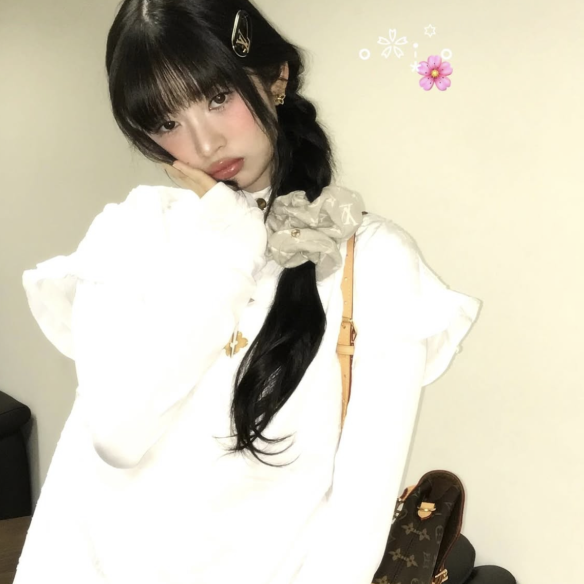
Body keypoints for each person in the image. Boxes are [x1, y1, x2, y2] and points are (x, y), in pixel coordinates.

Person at [15, 1, 481, 583]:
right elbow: (117, 436)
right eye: (165, 122)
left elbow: (357, 521)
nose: (204, 142)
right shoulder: (132, 232)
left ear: (276, 76)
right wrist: (231, 251)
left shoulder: (377, 261)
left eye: (217, 97)